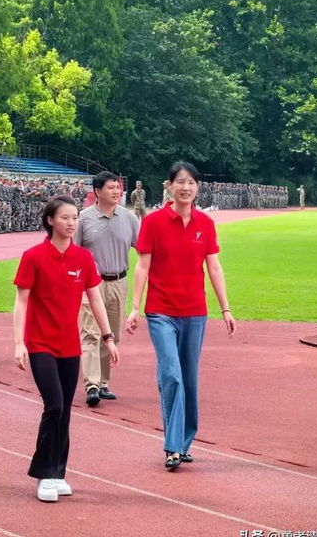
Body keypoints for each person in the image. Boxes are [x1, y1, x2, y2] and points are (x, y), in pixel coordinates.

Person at [126, 161, 236, 471]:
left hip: (194, 313)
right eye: (180, 182)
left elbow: (214, 267)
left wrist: (225, 308)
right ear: (169, 186)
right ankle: (172, 446)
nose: (186, 187)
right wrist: (135, 307)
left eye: (191, 183)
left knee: (189, 379)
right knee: (171, 374)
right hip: (161, 312)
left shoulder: (205, 224)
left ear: (197, 188)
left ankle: (185, 442)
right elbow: (143, 266)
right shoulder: (153, 223)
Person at [13, 196, 119, 502]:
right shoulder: (33, 256)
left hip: (69, 345)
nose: (71, 223)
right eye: (65, 218)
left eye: (75, 218)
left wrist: (108, 337)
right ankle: (44, 473)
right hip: (40, 343)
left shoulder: (83, 258)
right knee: (55, 406)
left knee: (65, 413)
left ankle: (58, 472)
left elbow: (95, 299)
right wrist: (19, 343)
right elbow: (21, 301)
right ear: (50, 221)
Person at [75, 171, 139, 407]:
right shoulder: (83, 219)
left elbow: (143, 250)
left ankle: (102, 382)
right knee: (91, 332)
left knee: (112, 333)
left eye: (118, 187)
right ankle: (91, 384)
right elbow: (73, 252)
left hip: (119, 281)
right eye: (111, 187)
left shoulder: (130, 219)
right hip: (92, 284)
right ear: (97, 191)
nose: (116, 191)